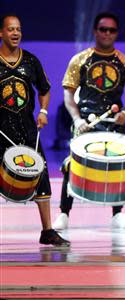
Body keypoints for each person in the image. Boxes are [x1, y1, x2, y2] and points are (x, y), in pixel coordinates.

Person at [52, 12, 125, 230]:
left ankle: (118, 214)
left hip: (114, 123)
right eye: (103, 29)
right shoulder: (80, 60)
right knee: (73, 166)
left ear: (116, 33)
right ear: (95, 31)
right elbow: (68, 93)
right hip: (86, 121)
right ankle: (64, 213)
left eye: (111, 30)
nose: (107, 34)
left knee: (118, 167)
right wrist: (76, 118)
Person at [0, 14, 70, 246]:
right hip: (0, 129)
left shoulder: (30, 61)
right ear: (1, 33)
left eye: (18, 29)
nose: (15, 33)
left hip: (27, 128)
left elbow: (44, 89)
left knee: (40, 176)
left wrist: (44, 112)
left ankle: (47, 230)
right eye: (10, 29)